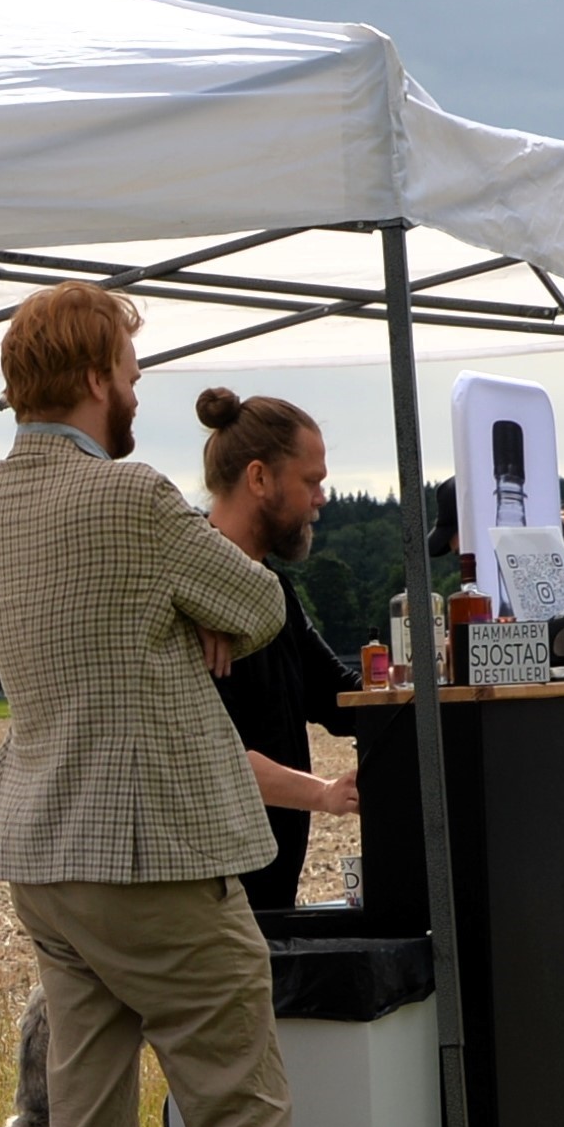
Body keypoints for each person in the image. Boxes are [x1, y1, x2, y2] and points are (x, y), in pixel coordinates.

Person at [0, 284, 364, 1127]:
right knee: (242, 1110)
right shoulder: (133, 496)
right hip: (151, 849)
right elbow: (257, 597)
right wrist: (197, 616)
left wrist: (181, 614)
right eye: (132, 369)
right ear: (97, 375)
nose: (138, 389)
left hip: (44, 851)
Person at [194, 386, 359, 917]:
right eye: (311, 481)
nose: (321, 498)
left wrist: (427, 678)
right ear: (259, 478)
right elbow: (216, 757)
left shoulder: (272, 591)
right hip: (210, 899)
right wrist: (325, 793)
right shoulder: (187, 599)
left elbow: (340, 697)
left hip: (265, 899)